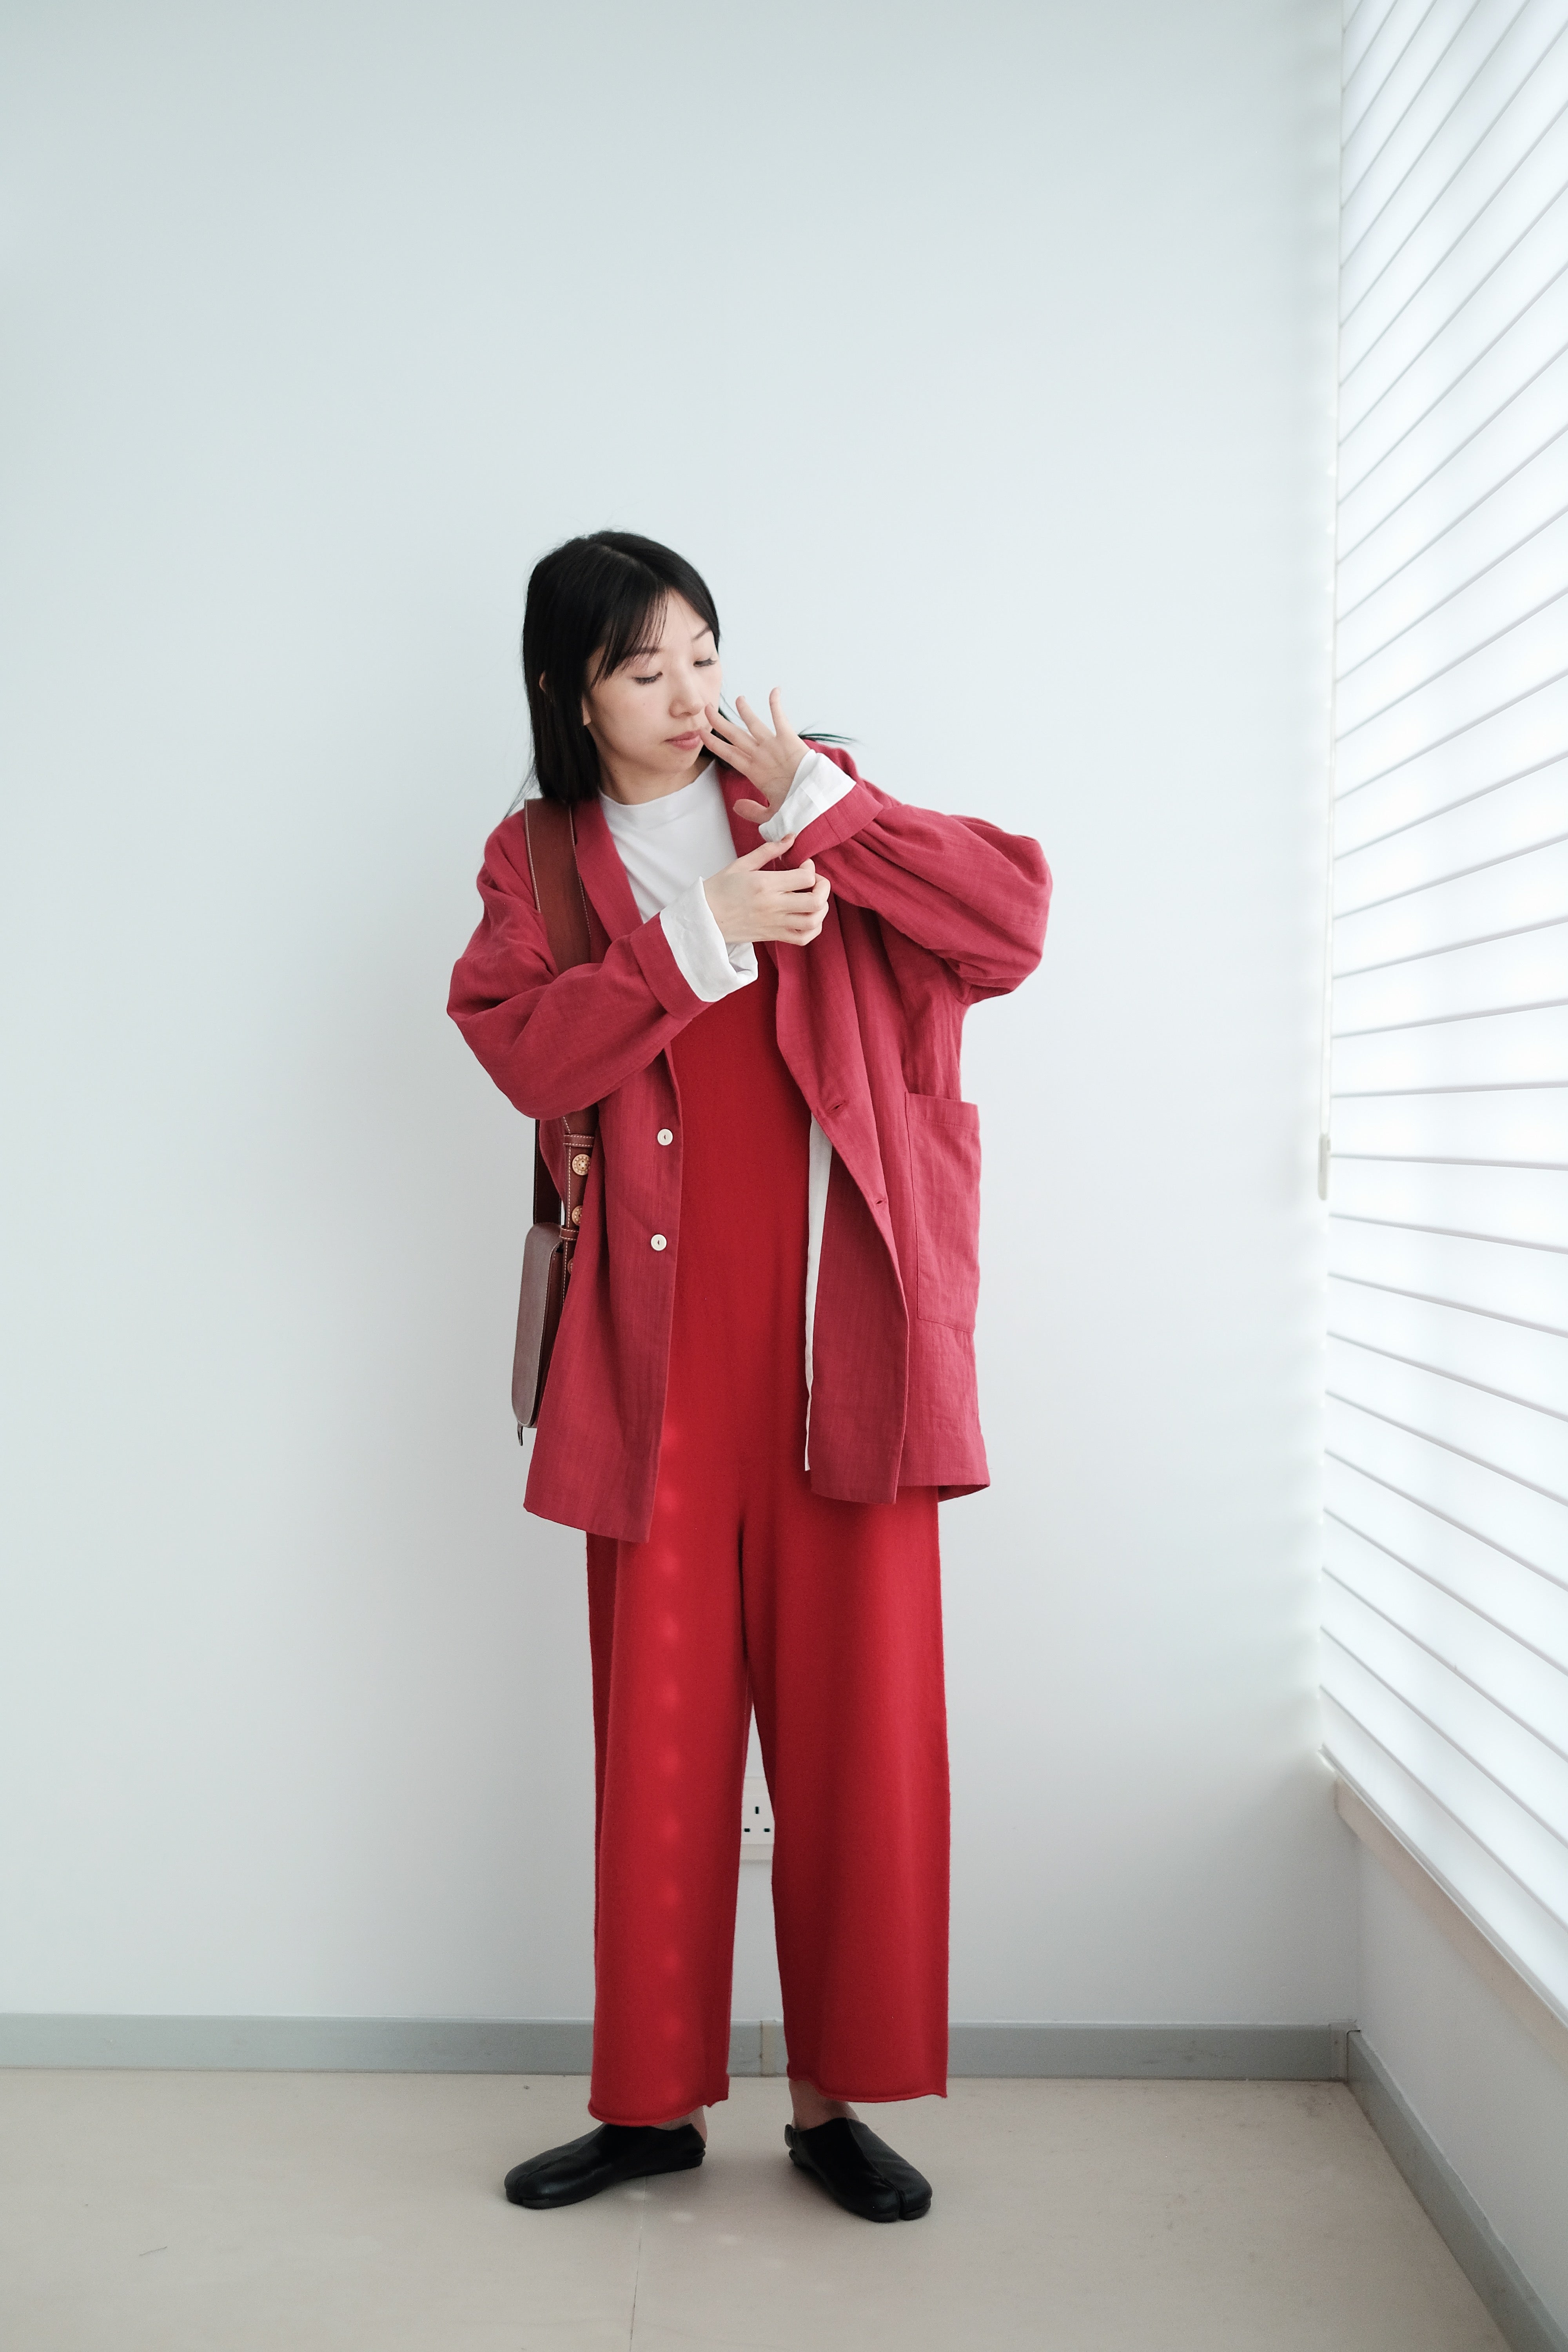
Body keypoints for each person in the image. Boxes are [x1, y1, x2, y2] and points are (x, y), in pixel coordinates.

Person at [448, 530, 1050, 2223]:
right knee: (658, 1749)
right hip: (650, 1364)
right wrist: (694, 934)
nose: (687, 693)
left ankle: (835, 2104)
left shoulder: (807, 791)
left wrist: (821, 809)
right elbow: (521, 1052)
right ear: (570, 692)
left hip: (840, 1350)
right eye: (643, 668)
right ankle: (649, 2108)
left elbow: (1008, 925)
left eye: (703, 654)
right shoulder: (537, 858)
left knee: (861, 1739)